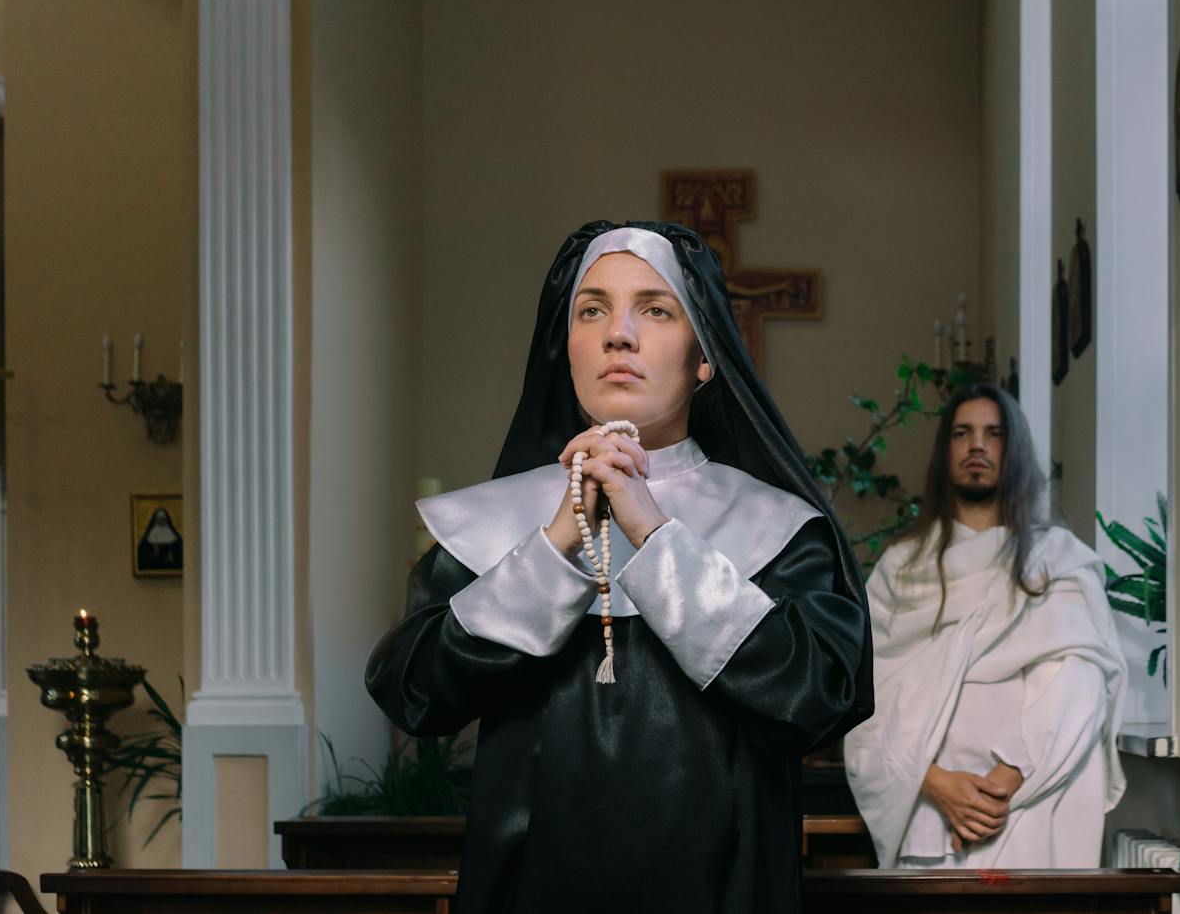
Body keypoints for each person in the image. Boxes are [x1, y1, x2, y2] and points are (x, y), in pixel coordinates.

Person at [366, 221, 871, 914]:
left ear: (705, 357)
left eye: (656, 310)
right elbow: (412, 691)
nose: (619, 334)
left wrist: (651, 529)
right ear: (565, 351)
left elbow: (823, 696)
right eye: (592, 310)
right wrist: (558, 539)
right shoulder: (494, 525)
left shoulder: (776, 528)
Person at [844, 384, 1126, 868]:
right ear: (945, 452)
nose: (977, 445)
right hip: (929, 811)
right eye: (962, 433)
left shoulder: (1054, 561)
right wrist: (934, 781)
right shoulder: (902, 568)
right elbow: (868, 699)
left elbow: (1080, 683)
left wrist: (1001, 784)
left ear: (1012, 451)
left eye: (993, 434)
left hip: (1033, 802)